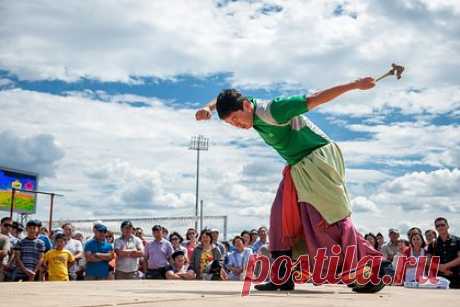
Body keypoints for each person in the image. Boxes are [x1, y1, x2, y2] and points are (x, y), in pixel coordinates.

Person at [195, 78, 388, 293]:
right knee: (280, 218)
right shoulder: (246, 105)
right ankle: (282, 278)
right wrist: (208, 107)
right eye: (231, 123)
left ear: (246, 107)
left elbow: (314, 99)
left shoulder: (274, 110)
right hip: (297, 166)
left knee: (328, 219)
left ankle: (373, 269)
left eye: (236, 119)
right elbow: (226, 96)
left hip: (317, 158)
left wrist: (355, 85)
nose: (237, 126)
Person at [427, 217, 460, 288]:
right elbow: (428, 261)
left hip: (457, 277)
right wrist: (440, 268)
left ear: (448, 226)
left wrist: (445, 266)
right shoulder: (432, 244)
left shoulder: (458, 241)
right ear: (436, 228)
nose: (440, 227)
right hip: (439, 279)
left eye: (442, 225)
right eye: (437, 226)